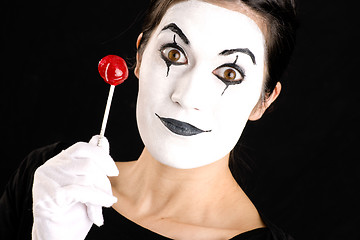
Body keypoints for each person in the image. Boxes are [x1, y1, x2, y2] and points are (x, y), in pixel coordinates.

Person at [0, 0, 297, 239]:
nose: (187, 97)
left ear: (263, 100)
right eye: (174, 53)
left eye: (229, 74)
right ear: (140, 56)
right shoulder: (50, 180)